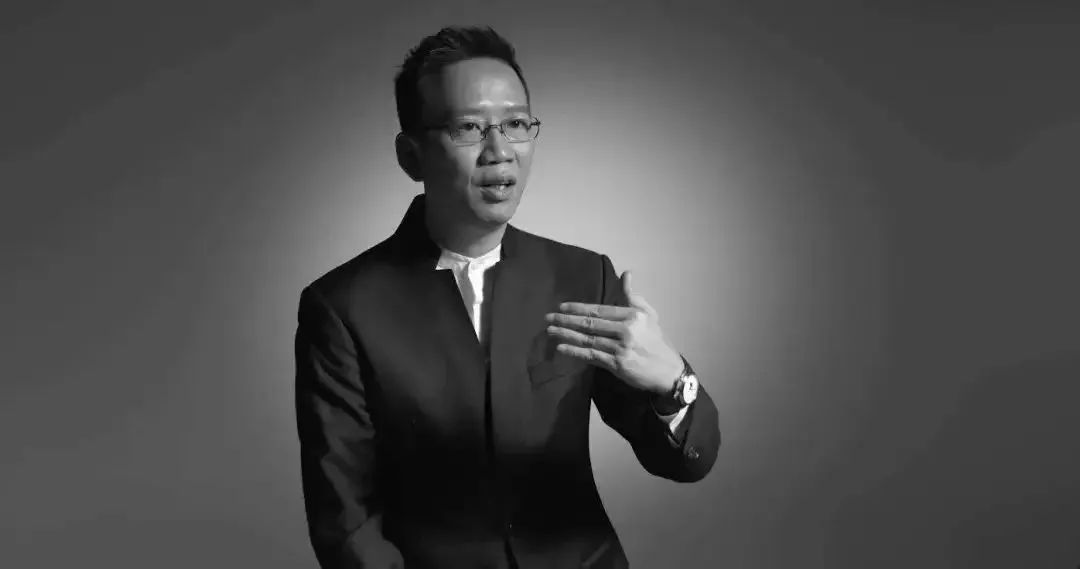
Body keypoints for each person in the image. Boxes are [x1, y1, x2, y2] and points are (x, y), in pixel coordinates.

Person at [294, 25, 720, 569]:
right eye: (469, 128)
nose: (500, 152)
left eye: (517, 124)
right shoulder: (343, 308)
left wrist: (672, 382)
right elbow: (346, 522)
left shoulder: (583, 276)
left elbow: (683, 463)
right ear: (410, 155)